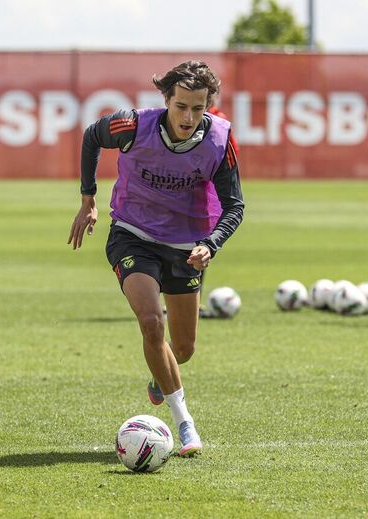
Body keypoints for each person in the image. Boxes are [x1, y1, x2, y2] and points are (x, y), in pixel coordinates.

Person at [68, 60, 244, 457]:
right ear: (166, 99)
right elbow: (91, 137)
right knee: (151, 323)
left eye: (198, 108)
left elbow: (235, 205)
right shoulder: (131, 125)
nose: (189, 117)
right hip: (133, 235)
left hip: (187, 246)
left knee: (182, 349)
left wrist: (212, 243)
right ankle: (185, 424)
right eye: (181, 106)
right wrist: (88, 199)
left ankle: (160, 377)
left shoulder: (220, 139)